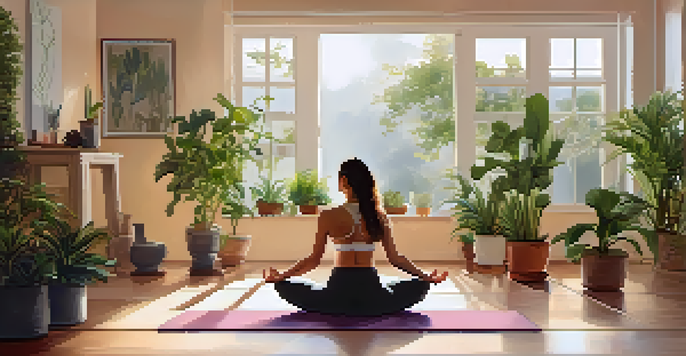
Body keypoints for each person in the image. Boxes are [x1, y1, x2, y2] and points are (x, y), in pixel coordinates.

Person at [262, 157, 449, 316]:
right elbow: (396, 259)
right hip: (371, 293)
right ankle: (370, 304)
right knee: (419, 286)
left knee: (285, 286)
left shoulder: (328, 216)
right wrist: (426, 277)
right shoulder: (379, 216)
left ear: (343, 180)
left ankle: (339, 305)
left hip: (337, 292)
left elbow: (313, 260)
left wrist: (282, 276)